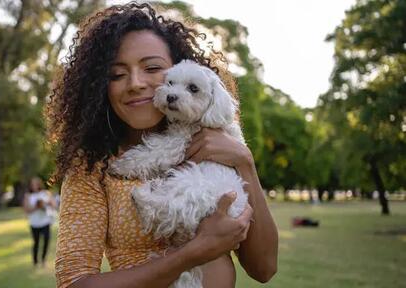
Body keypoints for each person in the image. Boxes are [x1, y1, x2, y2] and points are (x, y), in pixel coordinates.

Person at [47, 3, 278, 288]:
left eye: (152, 68)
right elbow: (73, 283)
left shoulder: (220, 145)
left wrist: (245, 163)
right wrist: (192, 253)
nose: (135, 83)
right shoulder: (93, 166)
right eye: (116, 75)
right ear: (98, 87)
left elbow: (264, 269)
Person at [23, 177, 57, 267]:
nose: (34, 186)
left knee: (46, 241)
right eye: (32, 184)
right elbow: (26, 209)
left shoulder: (45, 193)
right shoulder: (28, 195)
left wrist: (46, 204)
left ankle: (43, 260)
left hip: (45, 222)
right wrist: (37, 207)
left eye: (36, 184)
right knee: (36, 242)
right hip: (34, 223)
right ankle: (35, 261)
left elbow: (53, 205)